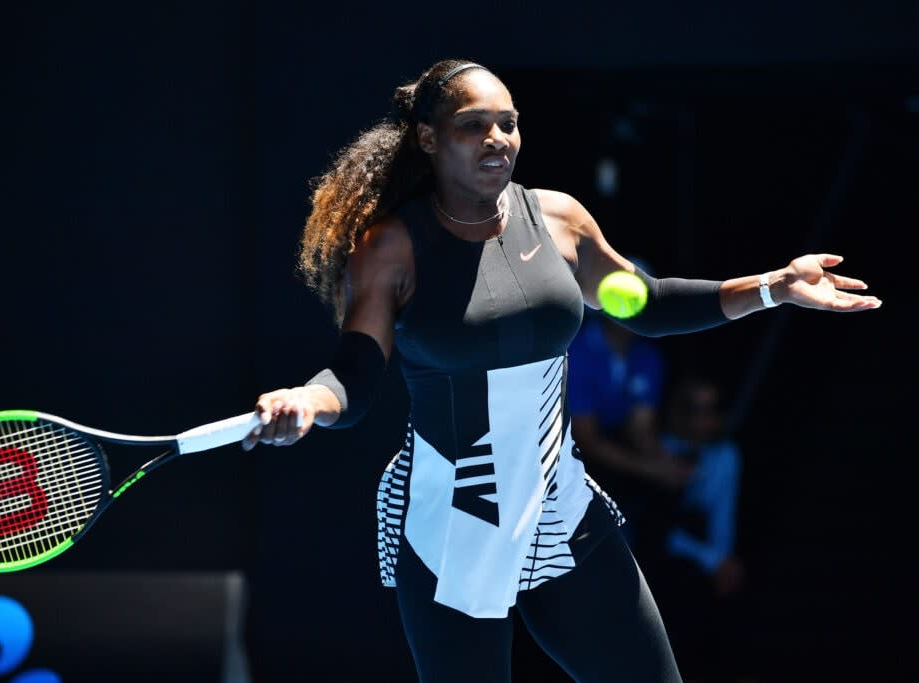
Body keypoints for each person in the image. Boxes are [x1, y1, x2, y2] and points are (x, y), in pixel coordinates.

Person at [239, 58, 881, 682]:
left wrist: (775, 286)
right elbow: (354, 377)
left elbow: (646, 305)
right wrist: (307, 401)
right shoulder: (391, 249)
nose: (497, 139)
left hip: (559, 510)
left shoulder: (560, 222)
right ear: (430, 139)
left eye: (508, 122)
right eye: (473, 124)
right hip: (452, 526)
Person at [565, 264, 692, 563]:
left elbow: (640, 428)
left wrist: (665, 464)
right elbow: (588, 441)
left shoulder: (647, 355)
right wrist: (653, 470)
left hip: (616, 452)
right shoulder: (576, 351)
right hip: (568, 457)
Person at [652, 373, 753, 682]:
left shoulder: (725, 455)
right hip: (654, 552)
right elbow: (656, 529)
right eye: (694, 409)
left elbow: (724, 514)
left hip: (700, 555)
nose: (702, 420)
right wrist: (712, 560)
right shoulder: (656, 450)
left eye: (710, 410)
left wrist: (721, 562)